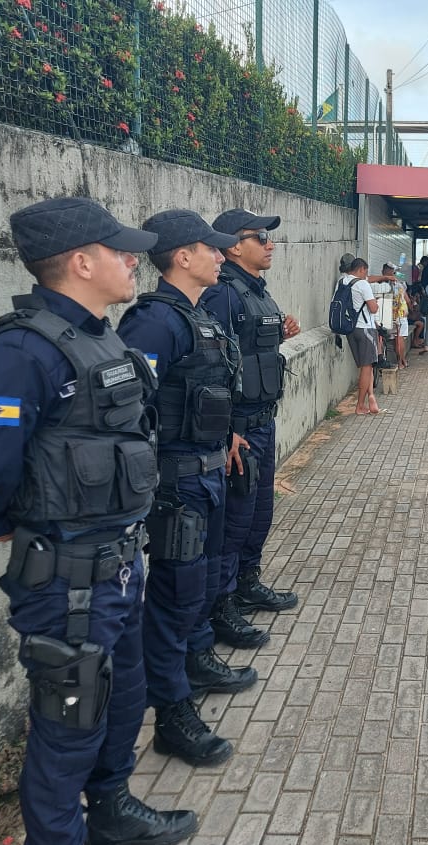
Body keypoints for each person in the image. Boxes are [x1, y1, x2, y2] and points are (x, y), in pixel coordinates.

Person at [0, 197, 199, 845]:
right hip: (64, 582)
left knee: (123, 701)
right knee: (67, 729)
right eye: (119, 251)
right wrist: (13, 527)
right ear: (81, 262)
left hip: (116, 569)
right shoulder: (18, 353)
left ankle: (110, 815)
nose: (132, 260)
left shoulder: (102, 337)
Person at [116, 210, 256, 769]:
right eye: (211, 249)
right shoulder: (153, 322)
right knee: (174, 598)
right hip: (178, 488)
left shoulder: (194, 316)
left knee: (193, 591)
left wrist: (225, 438)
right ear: (181, 256)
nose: (221, 257)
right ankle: (172, 713)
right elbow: (130, 413)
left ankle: (196, 662)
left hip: (208, 472)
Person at [201, 209, 300, 644]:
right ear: (233, 246)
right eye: (260, 236)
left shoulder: (256, 292)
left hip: (262, 423)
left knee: (259, 515)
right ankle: (222, 608)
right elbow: (212, 366)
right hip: (239, 429)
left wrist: (280, 333)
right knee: (234, 522)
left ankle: (247, 584)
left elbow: (245, 353)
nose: (270, 243)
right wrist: (226, 434)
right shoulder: (222, 295)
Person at [339, 257, 382, 414]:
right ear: (361, 269)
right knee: (366, 367)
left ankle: (371, 397)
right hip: (365, 328)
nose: (366, 275)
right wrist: (376, 303)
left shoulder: (342, 281)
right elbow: (373, 309)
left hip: (350, 328)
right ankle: (360, 405)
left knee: (366, 365)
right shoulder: (362, 284)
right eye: (366, 271)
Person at [385, 263, 410, 367]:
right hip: (400, 314)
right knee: (399, 338)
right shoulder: (400, 284)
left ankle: (400, 361)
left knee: (392, 339)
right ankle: (401, 361)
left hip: (386, 316)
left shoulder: (380, 283)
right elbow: (407, 300)